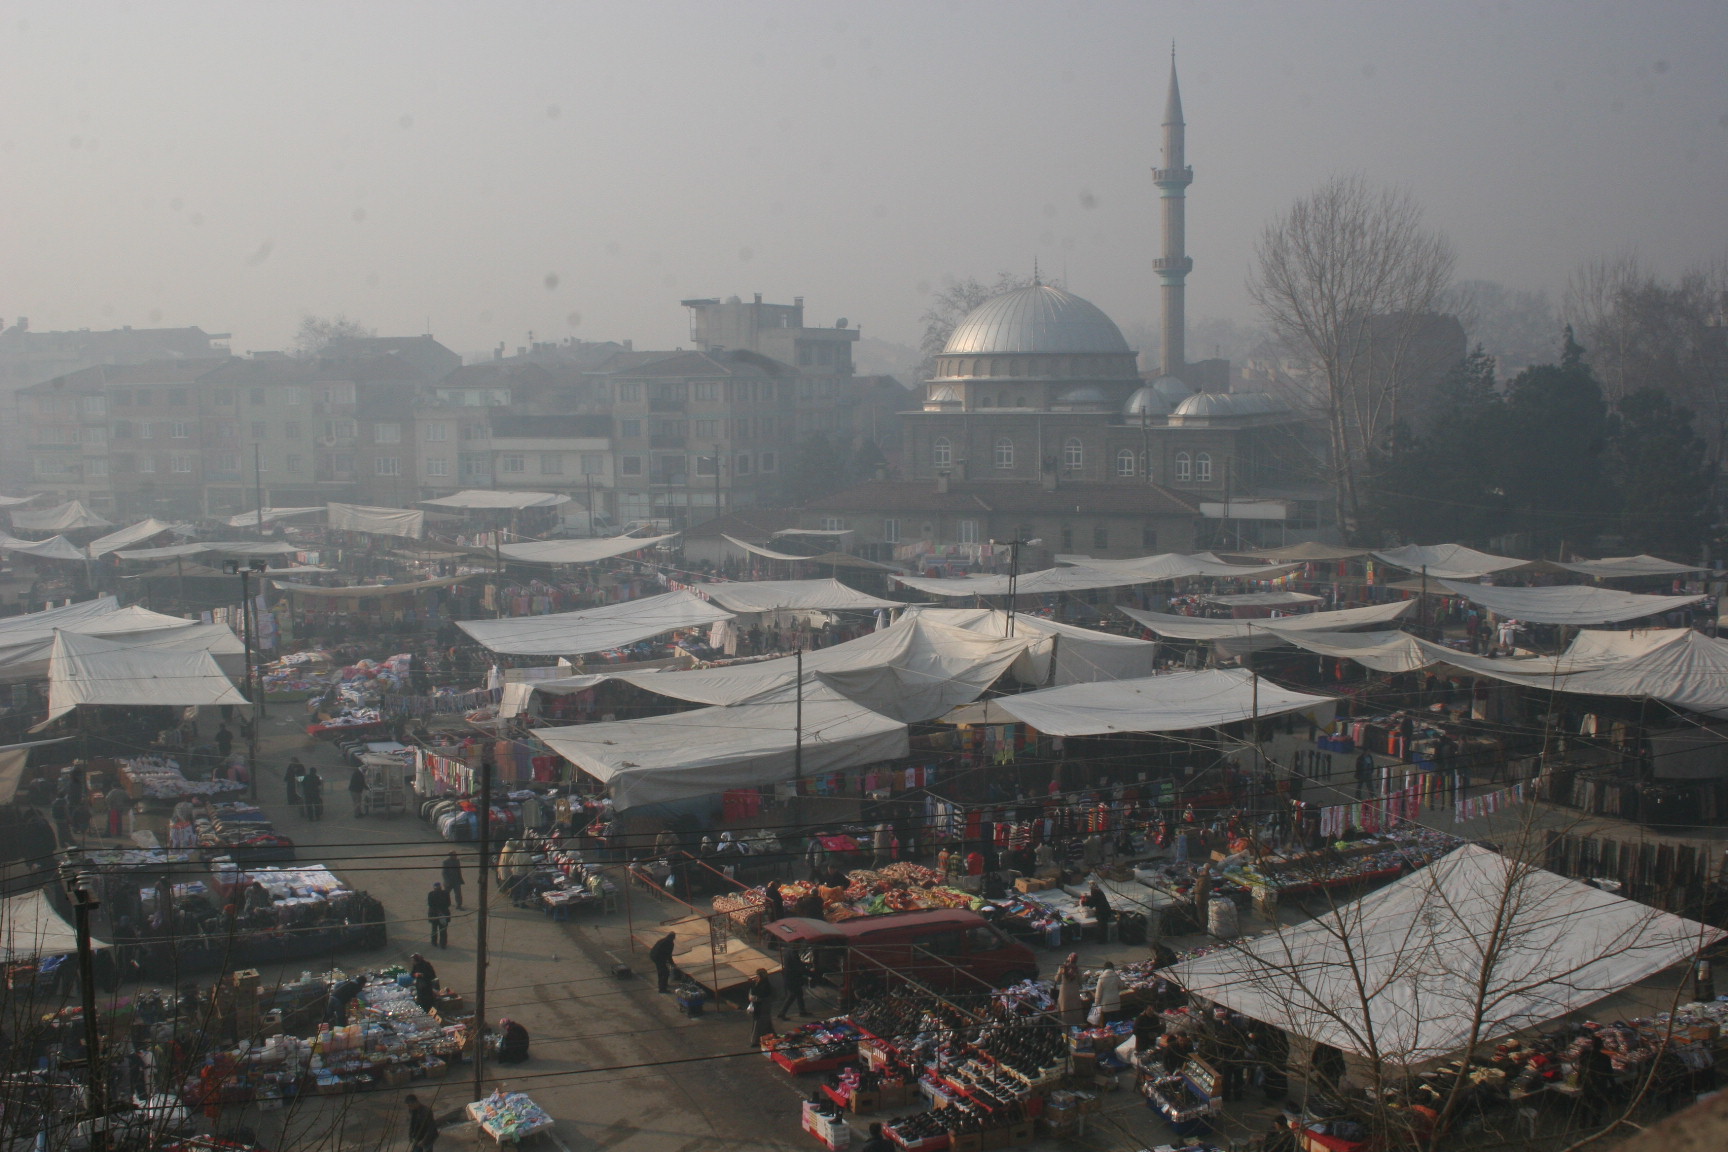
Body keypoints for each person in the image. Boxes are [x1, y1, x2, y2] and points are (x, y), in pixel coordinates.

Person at [778, 946, 809, 1019]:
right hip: (792, 978)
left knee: (799, 994)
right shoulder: (793, 953)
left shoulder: (789, 951)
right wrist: (807, 969)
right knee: (792, 995)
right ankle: (782, 1013)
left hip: (791, 977)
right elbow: (798, 965)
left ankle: (802, 1011)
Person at [1055, 953, 1085, 1028]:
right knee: (1075, 1011)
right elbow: (1080, 982)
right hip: (1074, 993)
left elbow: (1057, 979)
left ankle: (1065, 1029)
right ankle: (1077, 1028)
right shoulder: (1077, 969)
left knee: (1065, 1012)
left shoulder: (1063, 967)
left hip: (1064, 993)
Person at [747, 969, 776, 1045]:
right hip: (762, 1008)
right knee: (766, 1023)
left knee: (758, 1024)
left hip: (762, 1008)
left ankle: (755, 1041)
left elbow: (759, 995)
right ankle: (772, 1035)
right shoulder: (762, 984)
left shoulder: (764, 985)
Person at [427, 882, 452, 948]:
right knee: (443, 930)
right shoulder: (446, 893)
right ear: (441, 887)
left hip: (434, 914)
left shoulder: (431, 894)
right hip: (444, 914)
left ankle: (434, 942)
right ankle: (443, 944)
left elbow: (430, 904)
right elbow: (448, 903)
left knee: (434, 929)